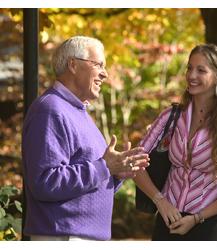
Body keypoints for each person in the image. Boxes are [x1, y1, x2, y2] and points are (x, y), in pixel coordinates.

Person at [22, 36, 149, 241]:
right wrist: (104, 167)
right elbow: (45, 182)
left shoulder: (78, 112)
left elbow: (91, 179)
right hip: (63, 237)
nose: (105, 74)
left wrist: (117, 173)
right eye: (98, 64)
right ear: (73, 64)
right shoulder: (50, 110)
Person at [134, 44, 217, 240]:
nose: (191, 75)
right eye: (189, 68)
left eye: (201, 70)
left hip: (209, 224)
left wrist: (197, 218)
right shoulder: (170, 117)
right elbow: (135, 162)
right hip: (167, 219)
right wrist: (161, 201)